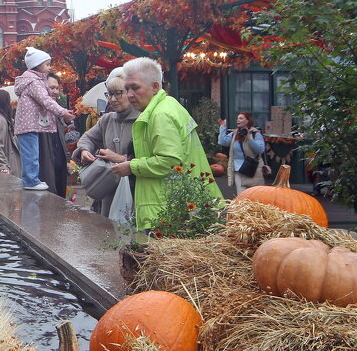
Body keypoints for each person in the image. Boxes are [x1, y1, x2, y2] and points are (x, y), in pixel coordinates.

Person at [108, 58, 222, 230]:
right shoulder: (166, 107)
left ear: (155, 87)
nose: (130, 94)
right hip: (175, 205)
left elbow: (169, 162)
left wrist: (131, 166)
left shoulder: (160, 115)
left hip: (167, 210)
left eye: (135, 87)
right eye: (127, 88)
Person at [72, 71, 140, 216]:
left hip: (137, 190)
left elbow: (154, 159)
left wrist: (121, 159)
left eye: (118, 93)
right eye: (109, 94)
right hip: (109, 189)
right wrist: (84, 151)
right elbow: (88, 138)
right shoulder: (107, 120)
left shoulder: (143, 120)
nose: (112, 99)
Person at [13, 47, 76, 191]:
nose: (49, 67)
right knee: (31, 153)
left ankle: (31, 179)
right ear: (37, 65)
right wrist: (62, 112)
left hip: (28, 124)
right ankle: (30, 180)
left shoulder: (33, 81)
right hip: (29, 124)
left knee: (31, 153)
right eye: (47, 64)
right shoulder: (34, 82)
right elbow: (46, 101)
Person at [219, 112, 267, 196]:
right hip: (238, 169)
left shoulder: (255, 134)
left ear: (248, 120)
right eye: (237, 118)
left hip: (252, 169)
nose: (238, 120)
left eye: (241, 118)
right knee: (241, 195)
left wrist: (250, 139)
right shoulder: (235, 133)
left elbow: (260, 150)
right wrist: (223, 127)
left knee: (255, 196)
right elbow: (222, 142)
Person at [40, 74, 71, 197]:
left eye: (57, 88)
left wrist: (66, 161)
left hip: (60, 170)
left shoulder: (57, 113)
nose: (55, 91)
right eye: (51, 88)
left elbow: (60, 141)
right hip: (45, 170)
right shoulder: (37, 113)